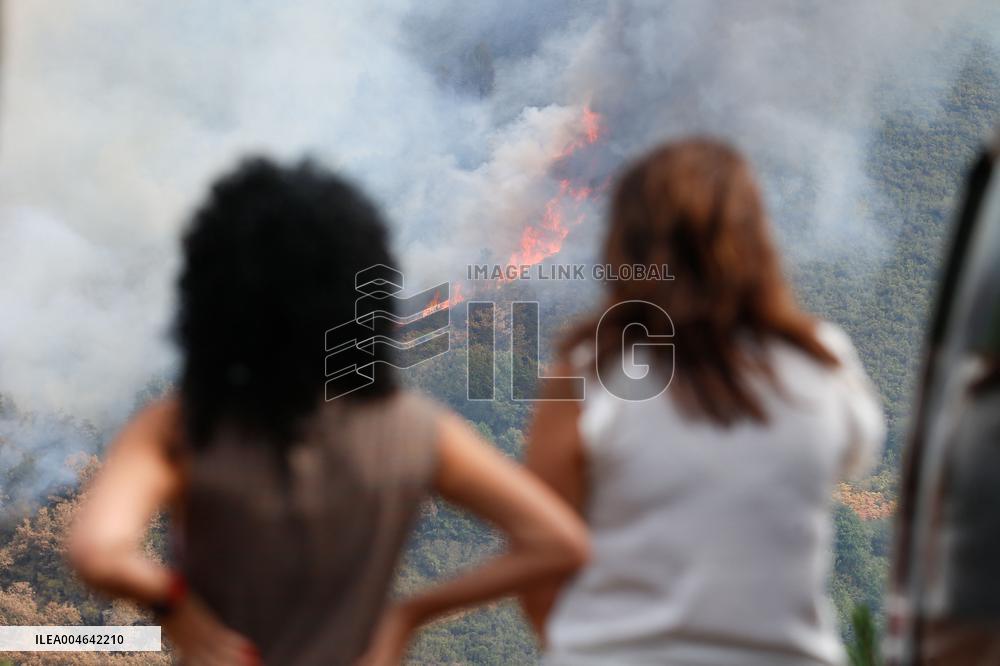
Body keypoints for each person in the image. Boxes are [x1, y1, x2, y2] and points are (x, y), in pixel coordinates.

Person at [68, 158, 589, 665]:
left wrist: (174, 606)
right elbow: (560, 541)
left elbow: (98, 552)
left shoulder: (180, 424)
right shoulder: (417, 429)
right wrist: (408, 614)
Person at [520, 138, 885, 665]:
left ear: (625, 246)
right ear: (756, 243)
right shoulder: (823, 363)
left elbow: (539, 572)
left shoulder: (587, 371)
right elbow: (857, 451)